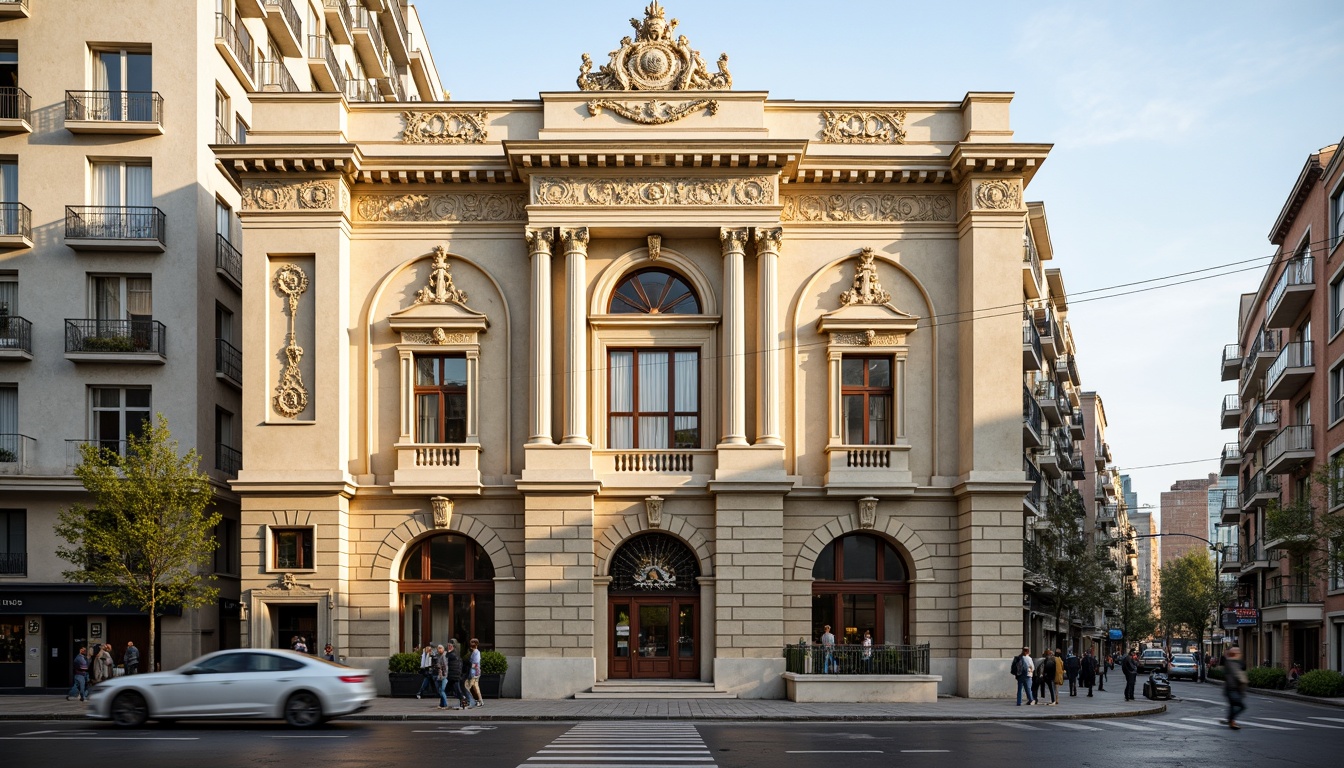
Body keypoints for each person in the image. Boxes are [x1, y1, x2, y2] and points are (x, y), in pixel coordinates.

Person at [1223, 647, 1248, 729]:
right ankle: (1230, 720)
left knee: (1232, 706)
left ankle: (1231, 721)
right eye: (1237, 653)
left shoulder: (1232, 662)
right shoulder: (1232, 663)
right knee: (1241, 706)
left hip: (1231, 689)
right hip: (1232, 689)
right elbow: (1239, 675)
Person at [464, 638, 484, 708]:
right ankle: (479, 701)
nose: (471, 645)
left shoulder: (476, 653)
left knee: (466, 686)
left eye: (472, 643)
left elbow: (475, 664)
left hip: (474, 673)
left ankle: (469, 701)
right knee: (475, 687)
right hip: (475, 672)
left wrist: (472, 672)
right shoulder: (474, 652)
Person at [433, 644, 450, 709]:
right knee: (440, 690)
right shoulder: (438, 656)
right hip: (440, 675)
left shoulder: (444, 656)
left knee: (442, 690)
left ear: (443, 649)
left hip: (443, 675)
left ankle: (445, 704)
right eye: (438, 648)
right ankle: (441, 704)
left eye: (440, 648)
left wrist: (445, 674)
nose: (439, 649)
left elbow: (445, 666)